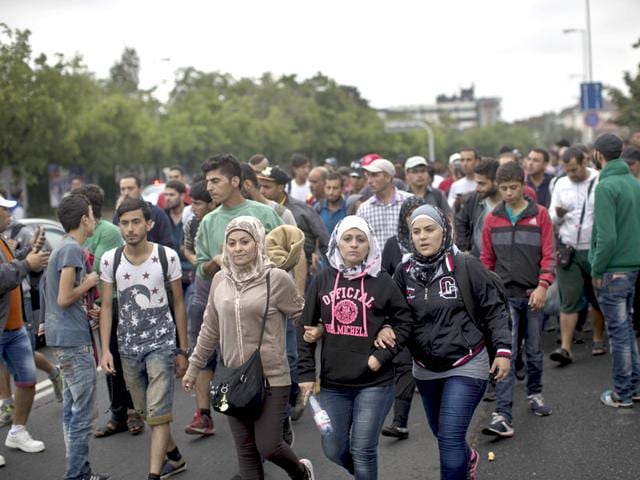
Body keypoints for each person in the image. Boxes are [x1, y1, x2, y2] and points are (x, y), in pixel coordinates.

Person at [379, 204, 511, 480]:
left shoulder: (464, 264)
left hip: (466, 362)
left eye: (429, 229)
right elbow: (391, 312)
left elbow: (494, 308)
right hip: (425, 368)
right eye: (416, 232)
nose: (423, 237)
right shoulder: (404, 271)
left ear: (444, 230)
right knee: (443, 434)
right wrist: (386, 328)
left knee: (450, 439)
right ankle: (469, 458)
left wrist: (502, 350)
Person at [183, 217, 314, 480]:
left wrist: (317, 344)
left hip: (272, 378)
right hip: (233, 380)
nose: (238, 248)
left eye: (245, 241)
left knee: (269, 446)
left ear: (258, 244)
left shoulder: (275, 279)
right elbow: (210, 328)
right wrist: (193, 367)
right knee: (246, 453)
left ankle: (301, 472)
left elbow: (303, 317)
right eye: (231, 243)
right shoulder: (220, 280)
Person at [297, 215, 414, 479]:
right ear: (337, 242)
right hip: (333, 384)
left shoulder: (382, 280)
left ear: (370, 244)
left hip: (375, 382)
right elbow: (303, 329)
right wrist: (305, 374)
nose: (353, 245)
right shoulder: (323, 279)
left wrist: (382, 356)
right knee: (333, 448)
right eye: (347, 239)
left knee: (363, 450)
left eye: (360, 239)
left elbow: (405, 323)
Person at [100, 198, 189, 480]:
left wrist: (182, 349)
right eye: (124, 223)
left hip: (161, 343)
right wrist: (105, 350)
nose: (130, 228)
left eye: (136, 221)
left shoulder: (167, 257)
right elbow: (105, 307)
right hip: (127, 347)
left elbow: (178, 303)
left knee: (159, 410)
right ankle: (174, 457)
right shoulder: (109, 260)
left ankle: (153, 474)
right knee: (147, 412)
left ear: (149, 223)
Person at [481, 162, 556, 438]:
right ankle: (503, 413)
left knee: (535, 350)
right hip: (504, 297)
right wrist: (488, 293)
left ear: (523, 185)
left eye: (513, 188)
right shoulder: (492, 219)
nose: (509, 193)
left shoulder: (541, 215)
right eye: (503, 189)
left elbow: (549, 255)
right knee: (506, 353)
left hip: (533, 293)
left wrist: (543, 285)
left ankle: (535, 394)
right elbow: (486, 260)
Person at [45, 193, 109, 480]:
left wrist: (88, 309)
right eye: (93, 215)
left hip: (64, 336)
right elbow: (64, 297)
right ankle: (76, 476)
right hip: (72, 341)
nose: (95, 220)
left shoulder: (63, 248)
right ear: (84, 219)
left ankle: (81, 472)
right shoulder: (71, 250)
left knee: (72, 412)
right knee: (83, 414)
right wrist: (89, 283)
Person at [75, 185, 142, 438]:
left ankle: (135, 412)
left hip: (117, 301)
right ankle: (118, 415)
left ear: (89, 210)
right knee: (109, 360)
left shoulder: (110, 232)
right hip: (97, 305)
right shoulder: (78, 234)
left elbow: (99, 269)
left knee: (126, 360)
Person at [589, 133, 640, 408]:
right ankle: (634, 387)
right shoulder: (634, 182)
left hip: (613, 270)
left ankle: (622, 392)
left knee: (618, 333)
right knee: (627, 330)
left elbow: (606, 236)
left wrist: (596, 266)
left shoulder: (605, 186)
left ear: (598, 154)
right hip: (632, 267)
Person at [548, 147, 605, 365]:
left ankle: (598, 337)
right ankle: (565, 348)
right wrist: (558, 215)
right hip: (568, 249)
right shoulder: (560, 184)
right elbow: (551, 216)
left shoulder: (600, 180)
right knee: (569, 299)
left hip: (593, 248)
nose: (571, 174)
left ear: (584, 162)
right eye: (567, 170)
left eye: (574, 169)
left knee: (596, 297)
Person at [379, 196, 427, 440]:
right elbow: (384, 278)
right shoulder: (392, 245)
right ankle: (400, 422)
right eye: (411, 215)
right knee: (402, 366)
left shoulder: (435, 243)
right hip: (402, 317)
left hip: (431, 317)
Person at [258, 166, 329, 277]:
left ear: (281, 188)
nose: (262, 191)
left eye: (267, 187)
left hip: (302, 272)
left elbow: (324, 238)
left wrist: (317, 254)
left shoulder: (302, 210)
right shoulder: (257, 209)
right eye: (260, 186)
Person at [357, 159, 413, 252]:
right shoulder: (364, 209)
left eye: (374, 175)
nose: (369, 181)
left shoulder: (409, 202)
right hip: (377, 265)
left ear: (387, 177)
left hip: (407, 263)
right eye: (368, 176)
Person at [114, 174, 175, 249]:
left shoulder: (157, 214)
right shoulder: (118, 215)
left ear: (140, 189)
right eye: (123, 189)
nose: (126, 193)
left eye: (130, 188)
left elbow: (167, 244)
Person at [454, 159, 501, 258]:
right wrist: (464, 248)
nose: (477, 188)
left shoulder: (510, 202)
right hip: (477, 261)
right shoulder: (472, 200)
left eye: (482, 184)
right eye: (477, 183)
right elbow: (460, 222)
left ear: (496, 182)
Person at [316, 171, 347, 236]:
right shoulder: (318, 207)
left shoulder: (348, 209)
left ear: (342, 189)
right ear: (324, 188)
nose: (331, 192)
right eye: (328, 188)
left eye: (335, 188)